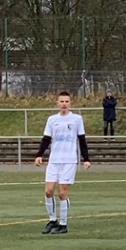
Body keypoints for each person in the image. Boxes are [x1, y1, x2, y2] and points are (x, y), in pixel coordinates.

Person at [35, 89, 90, 234]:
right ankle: (52, 220)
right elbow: (46, 139)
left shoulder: (77, 119)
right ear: (57, 103)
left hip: (69, 160)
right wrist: (39, 155)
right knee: (48, 191)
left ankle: (63, 224)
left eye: (67, 101)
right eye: (62, 101)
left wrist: (86, 159)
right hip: (54, 160)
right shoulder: (52, 120)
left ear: (70, 103)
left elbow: (82, 140)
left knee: (62, 192)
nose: (64, 104)